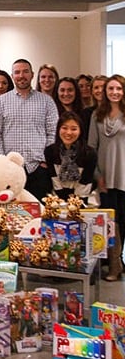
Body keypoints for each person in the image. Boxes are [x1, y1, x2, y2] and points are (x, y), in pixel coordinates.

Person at [0, 58, 58, 201]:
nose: (21, 75)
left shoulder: (46, 101)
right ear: (12, 76)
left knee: (39, 212)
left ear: (32, 75)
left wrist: (45, 160)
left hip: (38, 168)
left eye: (25, 71)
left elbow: (53, 132)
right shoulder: (0, 102)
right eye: (17, 72)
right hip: (10, 169)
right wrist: (3, 162)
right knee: (11, 214)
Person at [88, 74, 125, 281]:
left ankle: (118, 262)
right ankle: (113, 266)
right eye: (111, 89)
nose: (114, 92)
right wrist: (97, 175)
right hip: (105, 177)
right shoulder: (97, 116)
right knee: (112, 222)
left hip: (124, 176)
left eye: (118, 89)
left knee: (124, 220)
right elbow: (92, 147)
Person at [44, 110, 96, 205]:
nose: (68, 133)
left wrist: (74, 203)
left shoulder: (89, 153)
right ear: (58, 129)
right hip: (57, 199)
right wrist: (61, 201)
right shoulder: (50, 151)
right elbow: (54, 178)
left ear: (80, 131)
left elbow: (85, 181)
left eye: (74, 129)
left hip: (81, 199)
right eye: (64, 128)